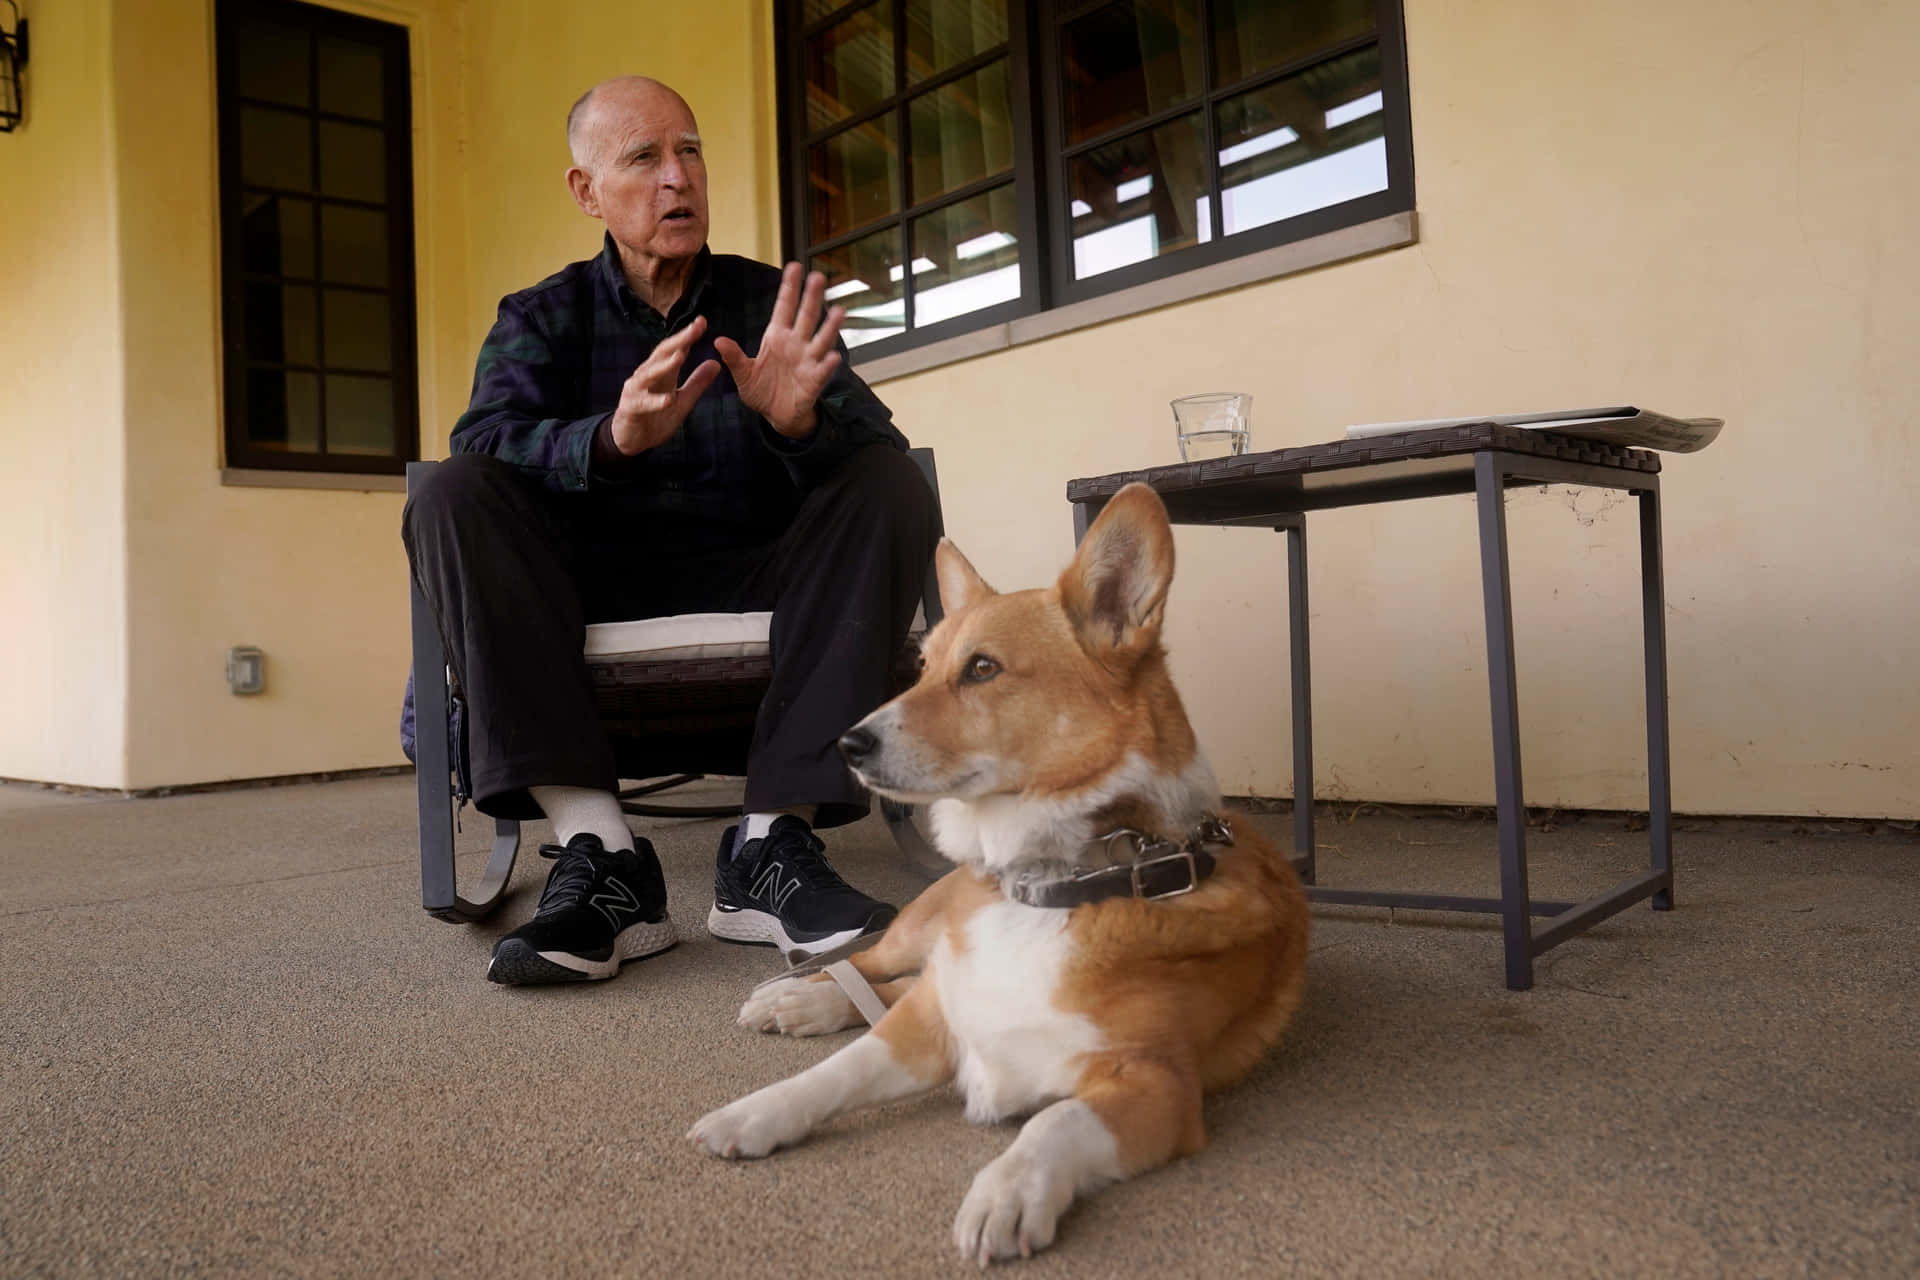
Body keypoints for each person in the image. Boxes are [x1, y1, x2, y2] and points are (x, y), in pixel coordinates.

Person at [402, 76, 939, 986]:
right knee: (452, 491)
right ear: (587, 191)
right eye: (643, 157)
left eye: (688, 150)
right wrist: (608, 441)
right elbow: (485, 444)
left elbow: (874, 450)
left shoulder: (770, 303)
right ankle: (604, 859)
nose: (675, 178)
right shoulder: (541, 316)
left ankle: (769, 852)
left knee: (886, 478)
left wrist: (796, 425)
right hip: (587, 584)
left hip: (762, 572)